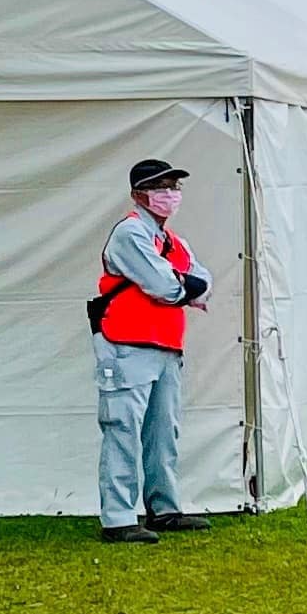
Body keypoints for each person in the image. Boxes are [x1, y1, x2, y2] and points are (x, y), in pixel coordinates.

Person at [89, 159, 215, 541]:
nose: (170, 193)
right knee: (122, 430)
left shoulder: (173, 241)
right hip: (126, 345)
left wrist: (182, 285)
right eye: (160, 186)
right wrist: (182, 288)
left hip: (165, 346)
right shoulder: (130, 234)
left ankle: (164, 508)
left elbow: (204, 282)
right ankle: (119, 518)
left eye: (174, 185)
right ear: (138, 194)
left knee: (163, 432)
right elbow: (165, 285)